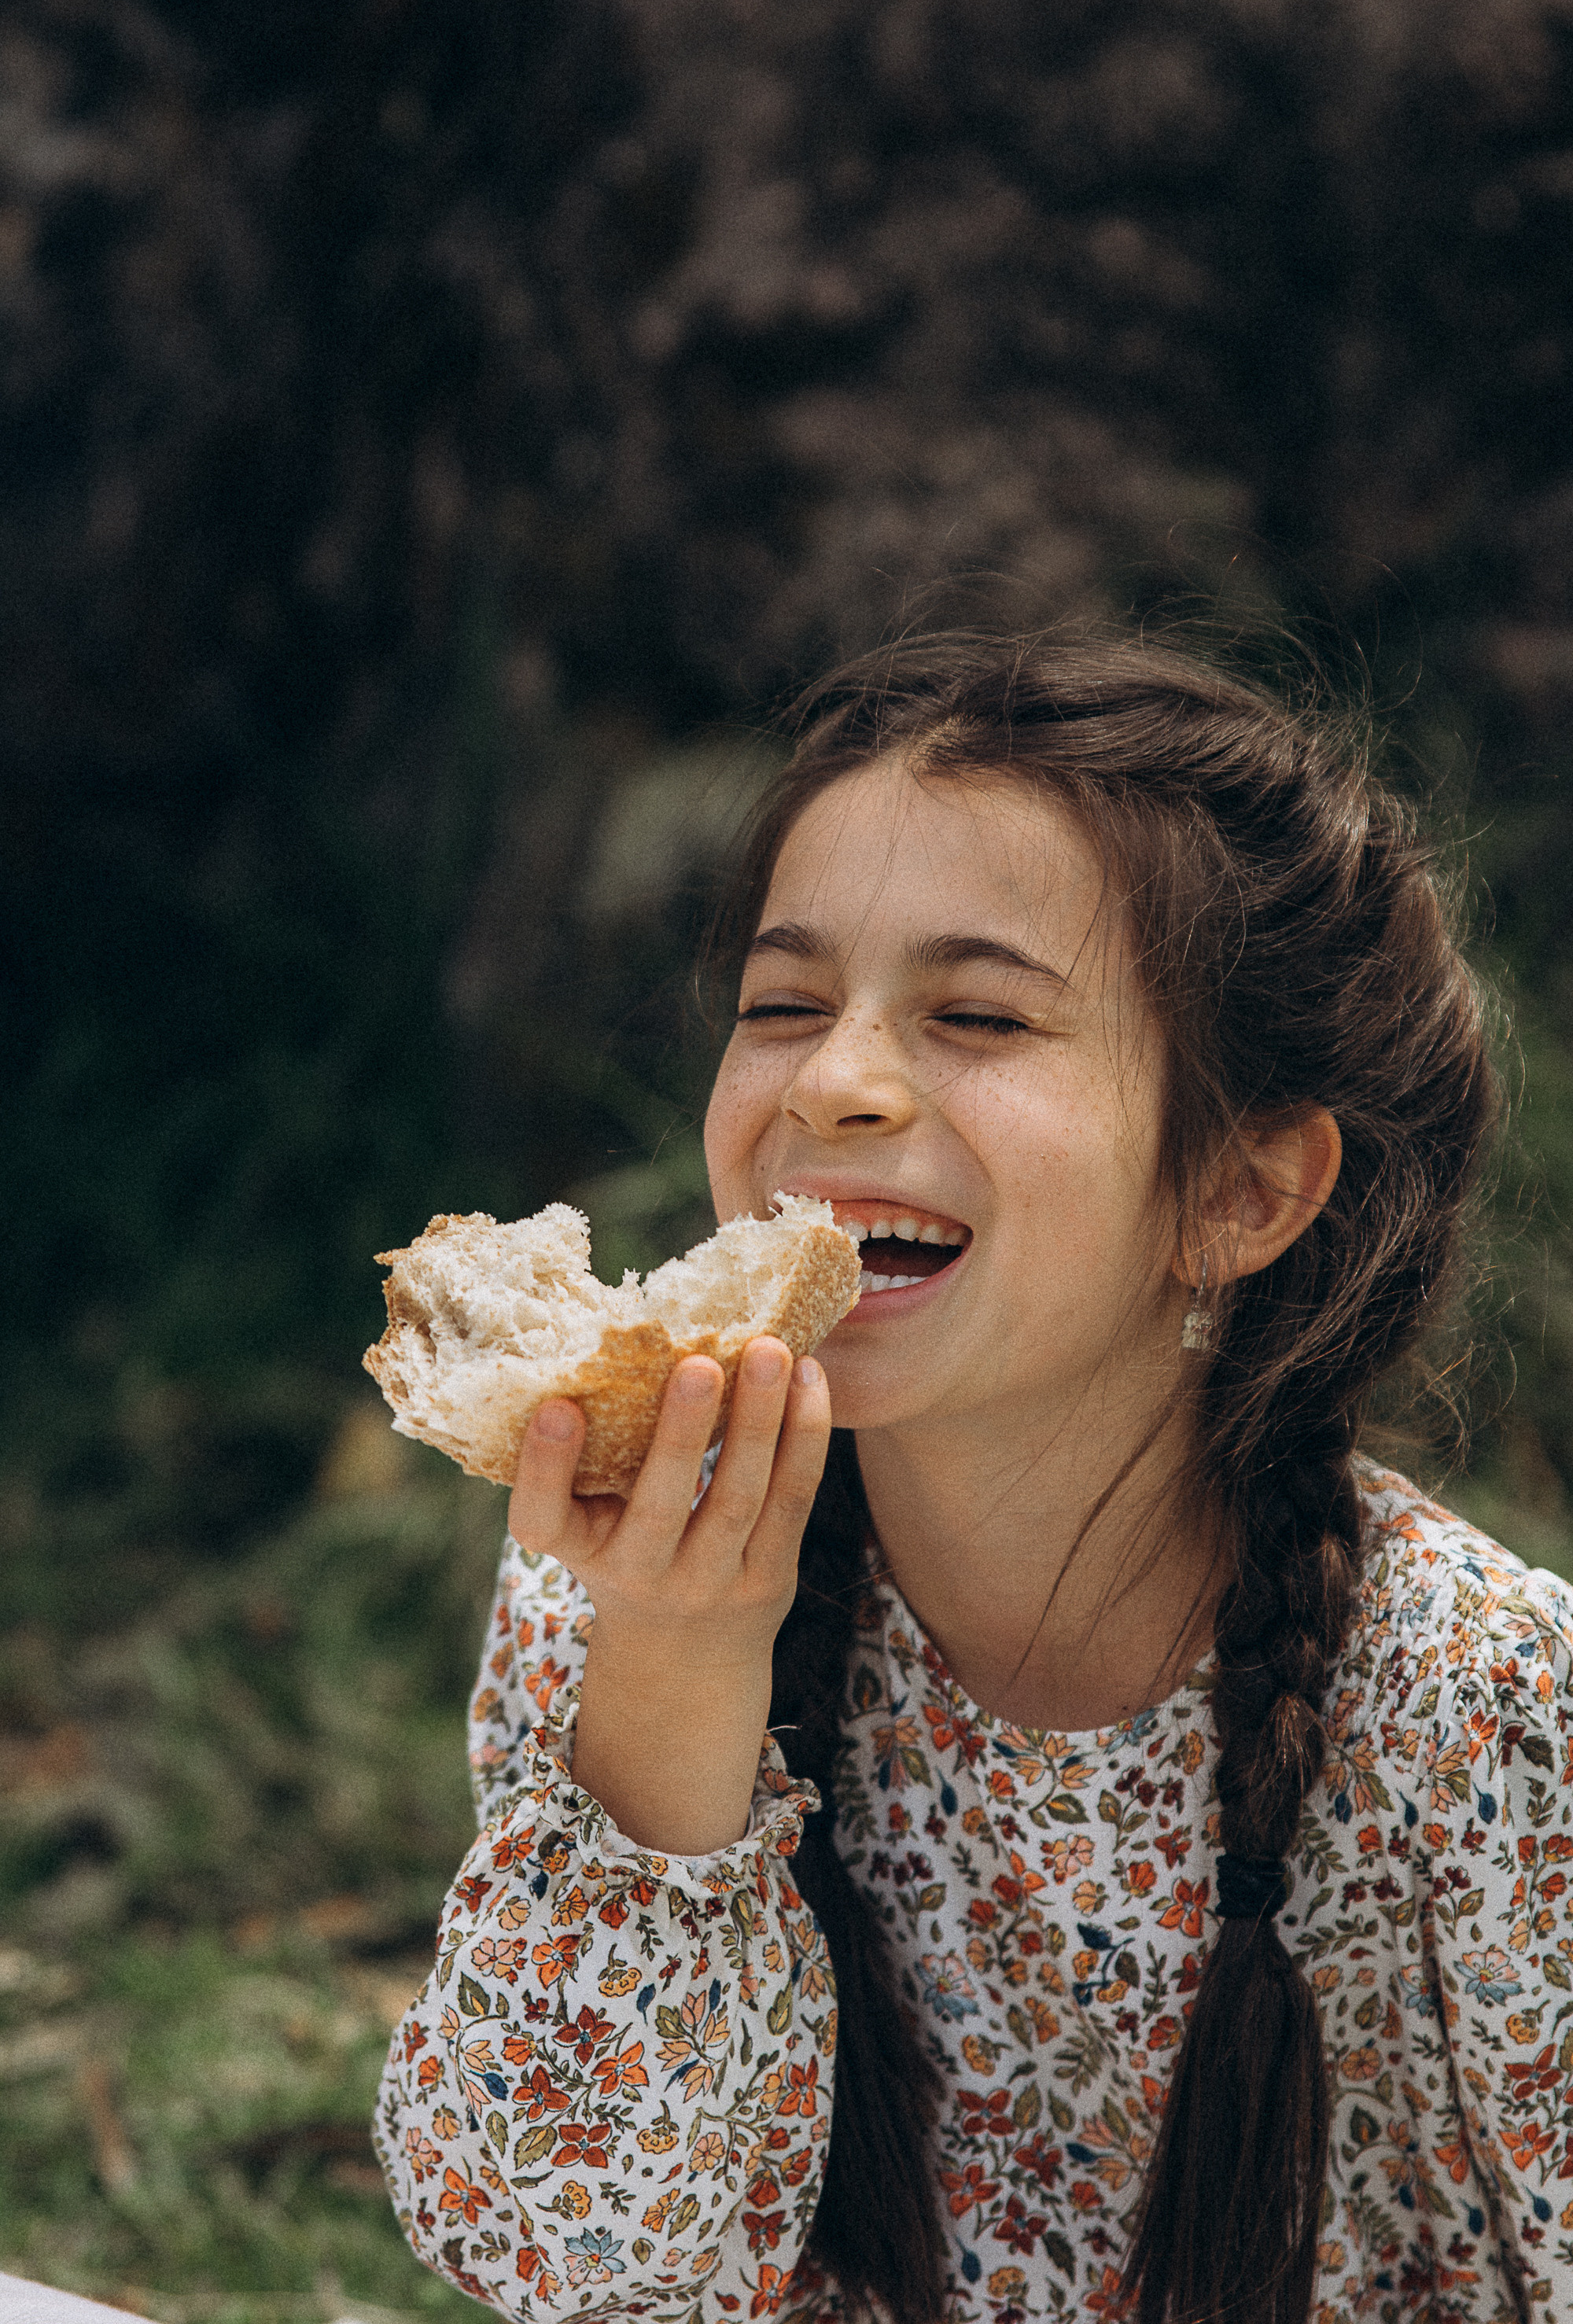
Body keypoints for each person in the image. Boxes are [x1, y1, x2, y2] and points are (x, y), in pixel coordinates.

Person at [375, 631, 1573, 2324]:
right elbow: (576, 2274)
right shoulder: (620, 1580)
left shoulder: (1491, 1716)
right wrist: (675, 1673)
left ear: (1235, 1192)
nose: (834, 1080)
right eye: (782, 1005)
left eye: (978, 1015)